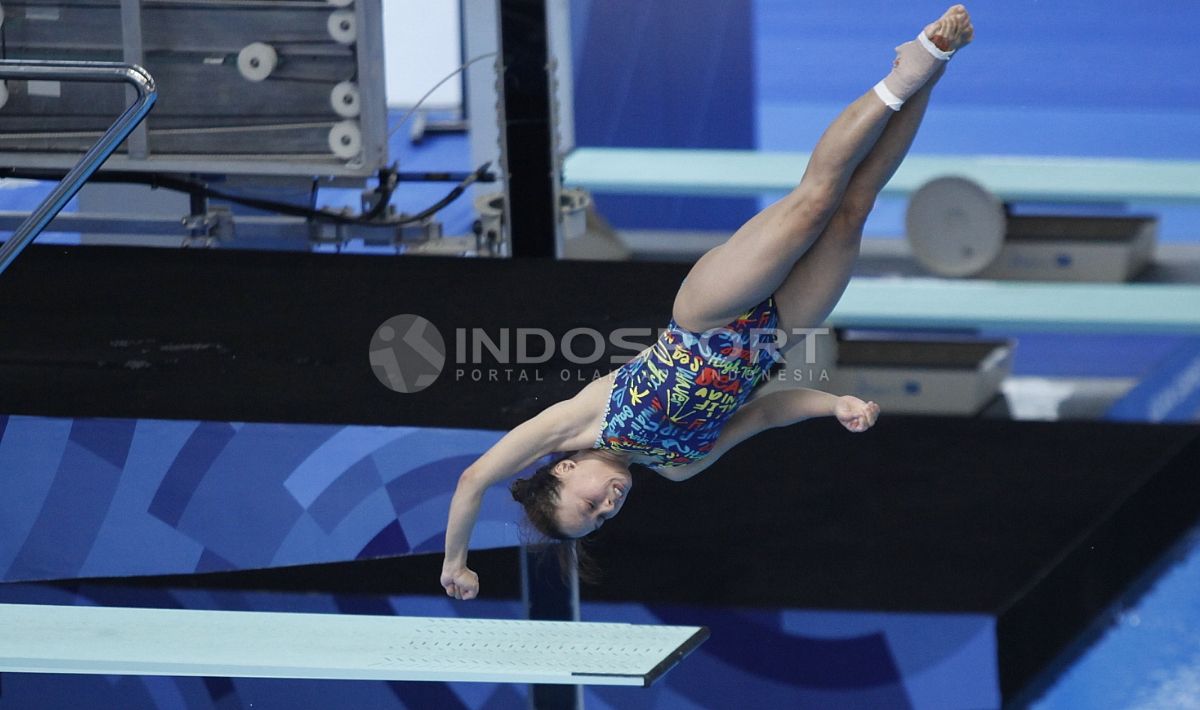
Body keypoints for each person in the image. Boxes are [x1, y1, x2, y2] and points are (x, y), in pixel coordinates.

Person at [442, 5, 974, 600]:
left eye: (588, 505)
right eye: (602, 519)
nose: (606, 507)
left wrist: (455, 563)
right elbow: (769, 412)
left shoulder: (573, 425)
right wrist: (834, 404)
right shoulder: (680, 465)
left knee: (815, 202)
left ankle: (904, 73)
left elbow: (473, 479)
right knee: (856, 209)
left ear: (565, 470)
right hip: (773, 336)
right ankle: (933, 66)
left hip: (707, 315)